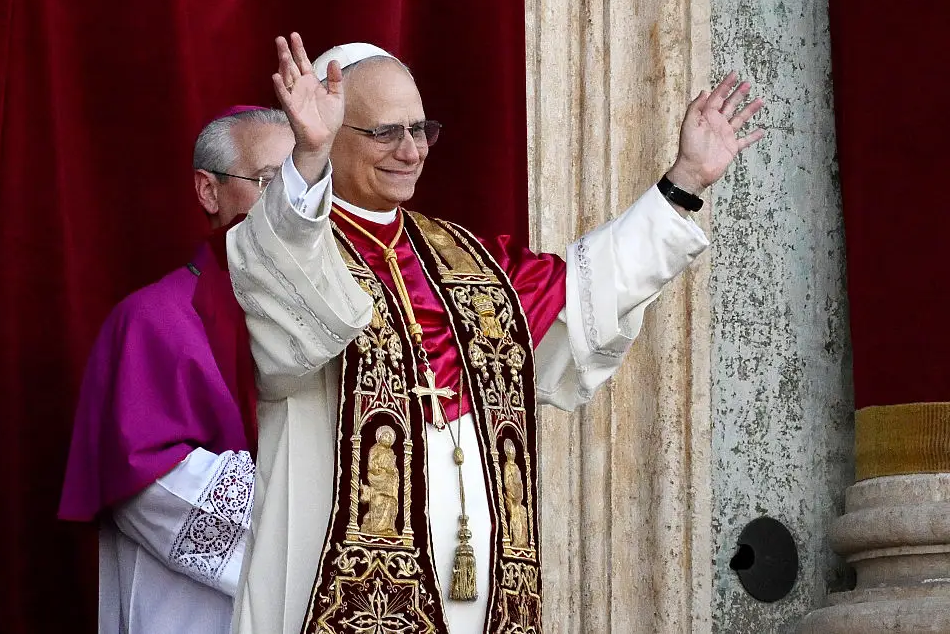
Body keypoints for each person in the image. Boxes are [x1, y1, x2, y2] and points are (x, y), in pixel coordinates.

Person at [228, 33, 764, 633]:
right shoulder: (290, 244)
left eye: (421, 130)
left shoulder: (467, 260)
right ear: (329, 131)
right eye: (385, 132)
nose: (410, 151)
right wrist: (307, 160)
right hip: (330, 592)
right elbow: (283, 323)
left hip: (482, 595)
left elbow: (585, 294)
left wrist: (683, 182)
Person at [58, 106, 294, 633]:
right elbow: (147, 484)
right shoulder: (152, 319)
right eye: (270, 182)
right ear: (208, 192)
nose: (294, 204)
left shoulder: (336, 312)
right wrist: (306, 504)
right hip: (191, 608)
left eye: (306, 182)